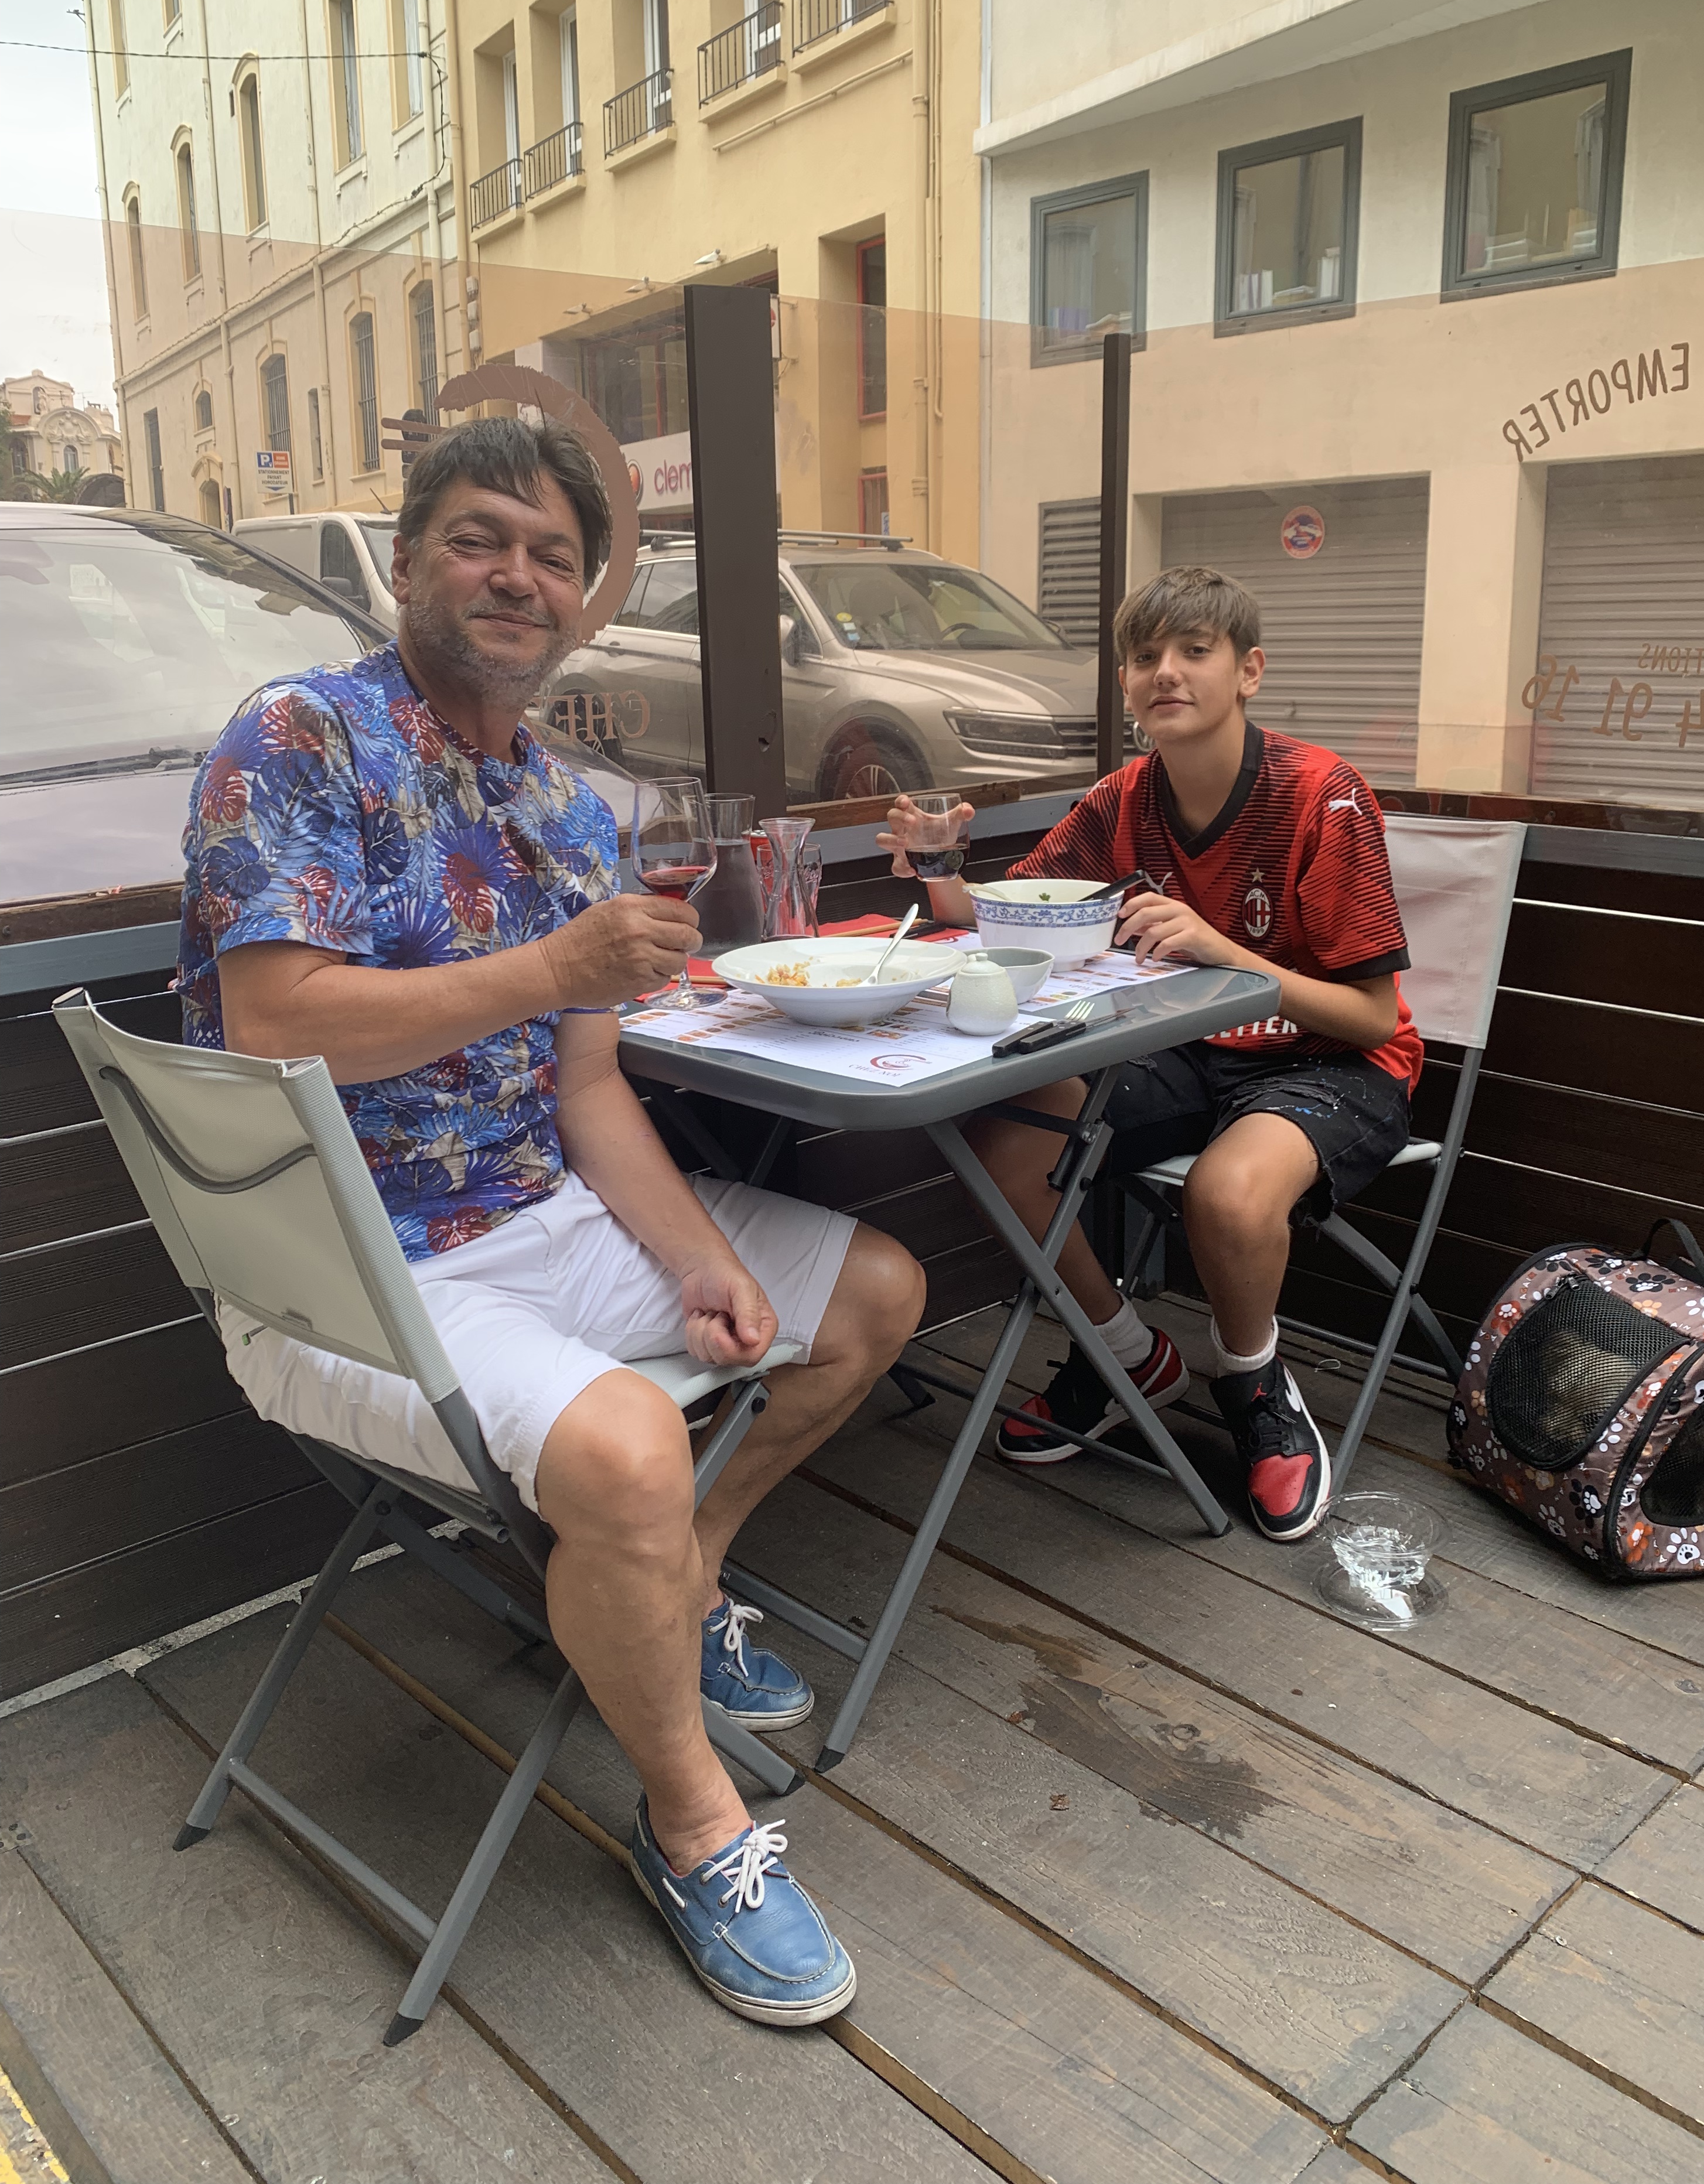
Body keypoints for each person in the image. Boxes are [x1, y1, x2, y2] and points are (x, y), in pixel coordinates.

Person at [178, 416, 926, 2026]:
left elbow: (587, 1094)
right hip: (346, 1265)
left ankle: (685, 1579)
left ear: (584, 602)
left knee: (874, 1294)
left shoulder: (572, 811)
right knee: (632, 1455)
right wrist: (551, 968)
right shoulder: (297, 738)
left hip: (541, 1213)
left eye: (553, 556)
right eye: (479, 538)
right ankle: (693, 1823)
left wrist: (700, 1258)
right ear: (407, 561)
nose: (517, 575)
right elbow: (272, 1024)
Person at [876, 565, 1420, 1543]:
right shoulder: (1124, 795)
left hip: (1329, 1061)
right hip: (1180, 1047)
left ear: (1249, 670)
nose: (1165, 671)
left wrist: (1222, 951)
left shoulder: (1321, 794)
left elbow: (1374, 1018)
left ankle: (1253, 1384)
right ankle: (1125, 1353)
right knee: (1003, 1138)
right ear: (1126, 682)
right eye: (1144, 656)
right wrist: (939, 863)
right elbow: (1010, 917)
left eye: (1195, 651)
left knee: (1227, 1196)